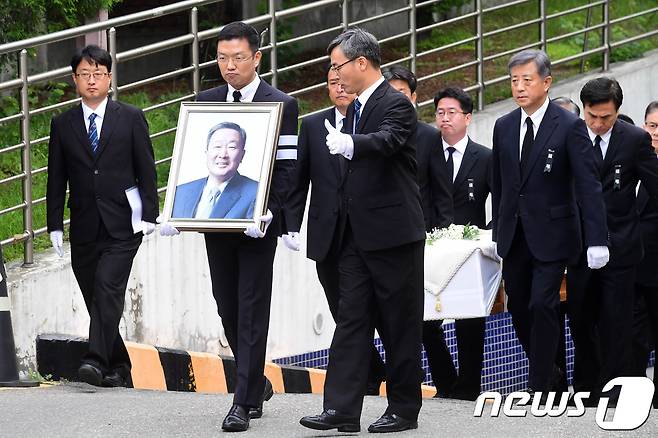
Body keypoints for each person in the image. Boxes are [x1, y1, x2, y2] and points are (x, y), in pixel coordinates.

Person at [160, 21, 298, 432]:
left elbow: (288, 166)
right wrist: (176, 210)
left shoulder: (282, 103)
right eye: (222, 58)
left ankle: (241, 402)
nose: (230, 66)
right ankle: (254, 381)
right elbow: (189, 159)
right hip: (217, 223)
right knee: (226, 303)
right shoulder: (206, 101)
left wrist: (272, 212)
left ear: (257, 57)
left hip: (258, 226)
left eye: (238, 58)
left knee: (252, 307)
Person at [300, 27, 425, 434]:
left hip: (393, 235)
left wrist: (351, 144)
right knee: (351, 321)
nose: (336, 75)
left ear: (361, 63)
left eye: (339, 66)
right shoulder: (353, 107)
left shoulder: (395, 102)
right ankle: (341, 409)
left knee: (398, 324)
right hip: (353, 236)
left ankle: (404, 409)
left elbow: (387, 141)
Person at [491, 49, 609, 399]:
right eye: (514, 80)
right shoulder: (504, 125)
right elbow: (500, 184)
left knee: (544, 304)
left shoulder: (570, 125)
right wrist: (499, 231)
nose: (519, 87)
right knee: (519, 308)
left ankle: (539, 385)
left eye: (527, 80)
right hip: (515, 235)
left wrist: (597, 239)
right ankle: (552, 371)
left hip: (555, 235)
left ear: (546, 82)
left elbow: (588, 186)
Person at [46, 45, 158, 388]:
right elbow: (56, 177)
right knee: (96, 295)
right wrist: (53, 225)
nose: (91, 81)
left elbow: (147, 169)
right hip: (83, 225)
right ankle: (120, 367)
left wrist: (150, 215)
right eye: (84, 75)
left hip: (124, 224)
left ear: (109, 77)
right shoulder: (62, 124)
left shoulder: (131, 117)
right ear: (74, 80)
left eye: (98, 74)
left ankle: (94, 360)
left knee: (108, 288)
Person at [282, 67, 387, 395]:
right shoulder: (313, 126)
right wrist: (291, 225)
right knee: (340, 308)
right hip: (327, 234)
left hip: (366, 233)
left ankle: (371, 375)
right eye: (332, 84)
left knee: (368, 308)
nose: (340, 88)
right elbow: (300, 180)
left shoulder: (370, 121)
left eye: (344, 82)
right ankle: (372, 367)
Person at [567, 81, 658, 406]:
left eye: (605, 117)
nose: (598, 124)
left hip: (621, 249)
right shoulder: (571, 134)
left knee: (617, 323)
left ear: (617, 111)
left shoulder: (634, 140)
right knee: (580, 319)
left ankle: (614, 391)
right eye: (592, 116)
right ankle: (586, 386)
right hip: (579, 248)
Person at [422, 86, 491, 401]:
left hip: (467, 251)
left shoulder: (485, 157)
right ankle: (445, 381)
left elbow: (500, 203)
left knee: (470, 322)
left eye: (451, 113)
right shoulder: (425, 151)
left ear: (467, 117)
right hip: (429, 248)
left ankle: (468, 387)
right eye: (440, 112)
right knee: (425, 321)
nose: (445, 119)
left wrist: (486, 236)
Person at [382, 65, 453, 230]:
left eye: (401, 93)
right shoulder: (370, 134)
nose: (395, 98)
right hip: (381, 229)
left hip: (420, 229)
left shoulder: (430, 136)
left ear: (413, 97)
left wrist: (443, 232)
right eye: (389, 93)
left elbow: (442, 193)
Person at [171, 121, 257, 219]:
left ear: (242, 155)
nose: (223, 155)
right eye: (217, 146)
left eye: (231, 147)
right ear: (206, 152)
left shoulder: (256, 192)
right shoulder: (180, 192)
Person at [634, 101, 658, 408]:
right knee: (633, 337)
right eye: (651, 126)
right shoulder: (630, 159)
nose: (655, 133)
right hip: (630, 267)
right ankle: (635, 395)